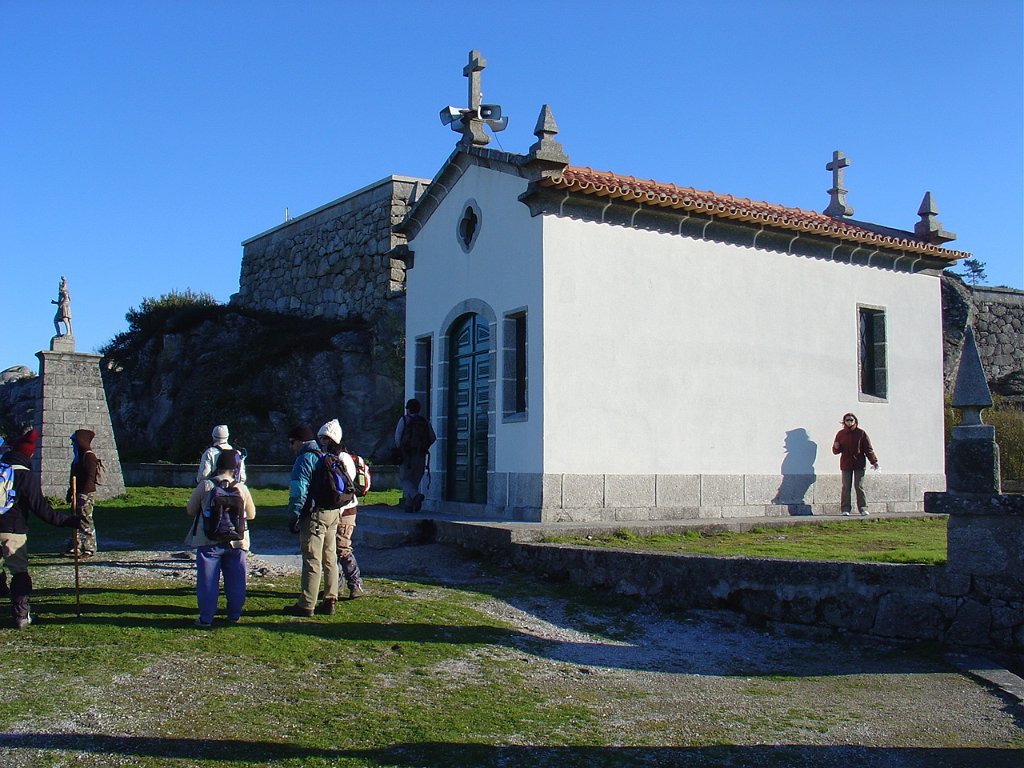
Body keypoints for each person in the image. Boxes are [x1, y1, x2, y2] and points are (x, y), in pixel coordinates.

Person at [0, 429, 83, 628]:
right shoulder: (25, 475)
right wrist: (66, 521)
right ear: (29, 455)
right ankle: (21, 615)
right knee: (19, 572)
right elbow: (41, 508)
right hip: (13, 529)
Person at [185, 449, 256, 628]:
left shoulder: (206, 485)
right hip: (236, 540)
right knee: (236, 580)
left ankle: (206, 618)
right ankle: (234, 614)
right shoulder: (241, 488)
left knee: (207, 581)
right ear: (235, 468)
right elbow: (251, 515)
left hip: (208, 539)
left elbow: (190, 510)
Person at [283, 424, 339, 617]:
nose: (290, 447)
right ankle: (330, 599)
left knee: (312, 559)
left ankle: (306, 604)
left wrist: (294, 515)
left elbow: (298, 491)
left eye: (292, 442)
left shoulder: (304, 459)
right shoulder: (324, 455)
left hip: (315, 516)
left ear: (300, 441)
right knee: (330, 557)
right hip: (333, 512)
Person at [318, 419, 365, 603]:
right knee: (331, 549)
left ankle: (355, 584)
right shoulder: (336, 457)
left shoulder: (340, 459)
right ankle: (335, 586)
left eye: (324, 438)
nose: (321, 441)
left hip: (344, 509)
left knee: (342, 548)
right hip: (339, 507)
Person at [831, 413, 879, 516]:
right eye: (847, 420)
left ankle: (863, 508)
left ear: (855, 421)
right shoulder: (840, 434)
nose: (849, 422)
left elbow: (868, 449)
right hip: (846, 464)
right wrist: (836, 447)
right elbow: (835, 451)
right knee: (846, 487)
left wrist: (874, 461)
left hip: (859, 463)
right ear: (844, 422)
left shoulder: (861, 433)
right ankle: (845, 509)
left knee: (859, 486)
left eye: (851, 420)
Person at [64, 429, 102, 558]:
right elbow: (74, 476)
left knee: (85, 519)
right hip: (77, 492)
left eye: (74, 441)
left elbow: (90, 477)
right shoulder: (78, 457)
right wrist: (70, 492)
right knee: (75, 519)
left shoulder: (89, 456)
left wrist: (84, 495)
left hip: (86, 493)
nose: (72, 444)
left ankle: (89, 548)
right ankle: (76, 546)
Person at [394, 398, 436, 513]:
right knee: (415, 480)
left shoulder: (404, 420)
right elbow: (433, 437)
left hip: (407, 455)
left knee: (404, 478)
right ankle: (409, 505)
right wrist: (424, 447)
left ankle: (416, 496)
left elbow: (398, 438)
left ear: (408, 409)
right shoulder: (424, 421)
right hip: (421, 455)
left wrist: (401, 450)